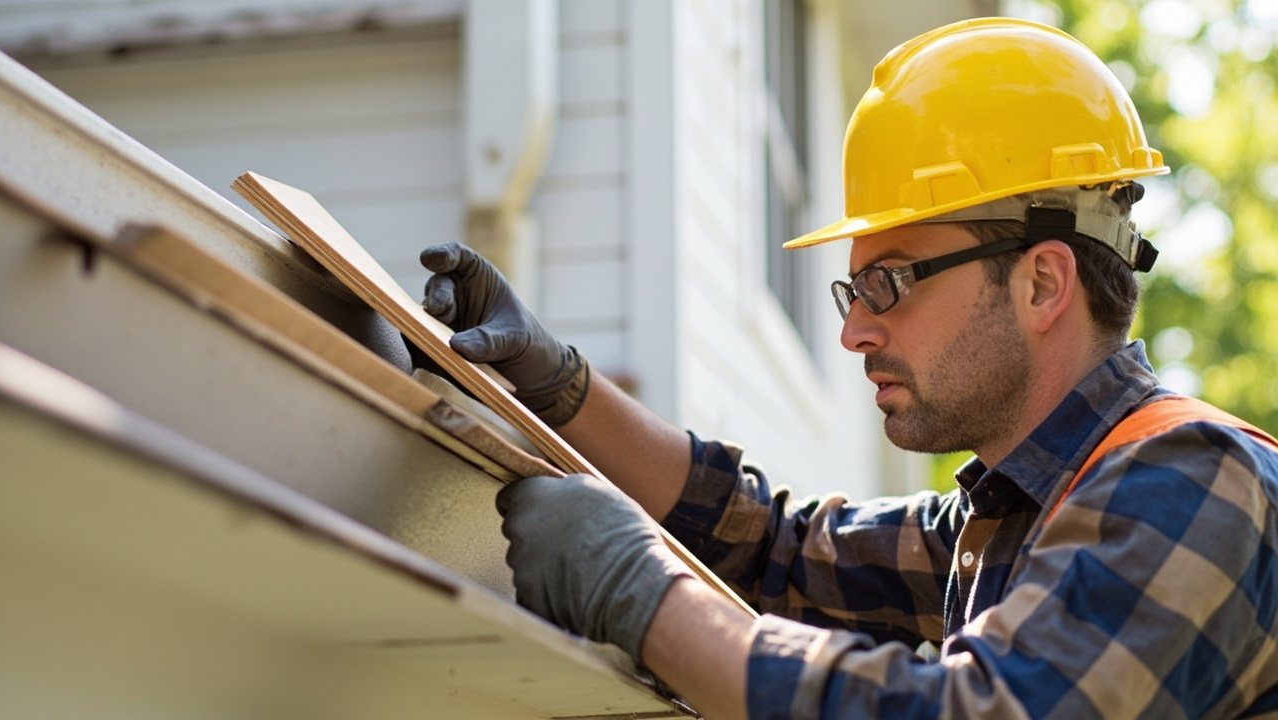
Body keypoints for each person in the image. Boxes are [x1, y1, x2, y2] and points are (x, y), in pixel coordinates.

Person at [414, 18, 1278, 720]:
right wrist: (561, 387)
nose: (854, 332)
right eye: (854, 289)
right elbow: (777, 553)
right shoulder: (1010, 521)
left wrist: (644, 597)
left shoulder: (1197, 479)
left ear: (1042, 283)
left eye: (889, 283)